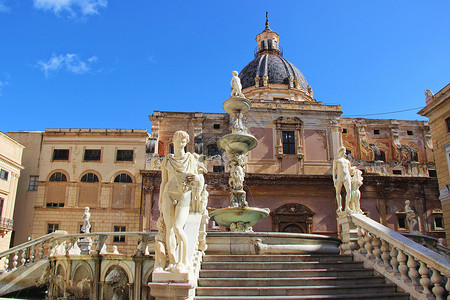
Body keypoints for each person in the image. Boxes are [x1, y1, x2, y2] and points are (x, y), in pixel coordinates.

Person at [158, 131, 207, 272]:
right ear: (173, 141)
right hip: (168, 194)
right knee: (169, 230)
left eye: (182, 141)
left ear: (186, 143)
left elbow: (199, 179)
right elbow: (164, 182)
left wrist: (197, 180)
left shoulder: (191, 159)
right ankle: (172, 262)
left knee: (178, 228)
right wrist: (161, 200)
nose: (178, 144)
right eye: (176, 140)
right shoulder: (167, 160)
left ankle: (184, 261)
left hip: (184, 195)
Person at [332, 146, 352, 212]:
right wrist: (334, 179)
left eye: (344, 151)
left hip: (347, 176)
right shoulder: (337, 160)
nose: (344, 152)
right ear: (339, 151)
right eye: (343, 151)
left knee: (349, 191)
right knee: (338, 192)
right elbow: (334, 170)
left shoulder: (347, 161)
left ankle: (347, 207)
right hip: (339, 177)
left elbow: (350, 169)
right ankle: (340, 206)